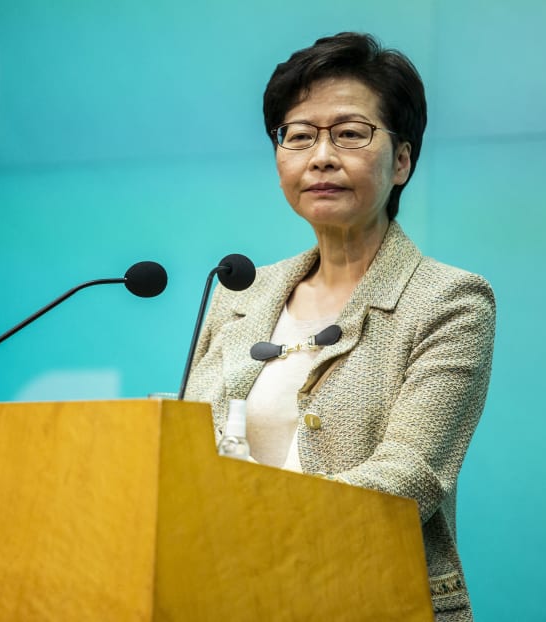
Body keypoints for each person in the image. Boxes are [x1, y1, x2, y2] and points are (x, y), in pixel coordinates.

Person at [184, 32, 495, 621]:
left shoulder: (449, 302)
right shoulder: (239, 294)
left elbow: (409, 474)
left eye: (350, 134)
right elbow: (186, 452)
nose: (321, 156)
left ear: (401, 160)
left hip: (370, 599)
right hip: (223, 598)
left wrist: (255, 522)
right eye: (299, 136)